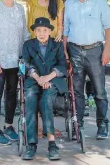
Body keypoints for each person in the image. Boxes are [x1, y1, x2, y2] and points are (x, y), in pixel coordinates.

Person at [63, 0, 110, 139]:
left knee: (99, 90)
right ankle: (79, 126)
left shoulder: (99, 1)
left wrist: (107, 50)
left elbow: (108, 27)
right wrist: (65, 52)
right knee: (77, 91)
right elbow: (65, 31)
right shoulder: (68, 4)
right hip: (75, 50)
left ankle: (102, 124)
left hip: (95, 51)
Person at [17, 0, 64, 138]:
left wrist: (59, 36)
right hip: (33, 48)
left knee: (46, 93)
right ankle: (35, 130)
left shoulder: (57, 3)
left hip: (51, 48)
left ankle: (47, 130)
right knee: (32, 91)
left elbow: (59, 25)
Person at [0, 0, 30, 146]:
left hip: (16, 59)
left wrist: (27, 55)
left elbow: (25, 34)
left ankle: (9, 126)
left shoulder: (20, 9)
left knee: (12, 93)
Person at [22, 17, 67, 161]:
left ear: (50, 31)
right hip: (34, 80)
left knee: (47, 97)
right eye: (38, 30)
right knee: (30, 97)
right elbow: (25, 63)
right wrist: (38, 78)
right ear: (34, 32)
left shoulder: (57, 45)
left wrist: (47, 78)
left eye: (45, 30)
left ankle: (52, 143)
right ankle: (31, 144)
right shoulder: (28, 45)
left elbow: (62, 66)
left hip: (52, 80)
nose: (42, 33)